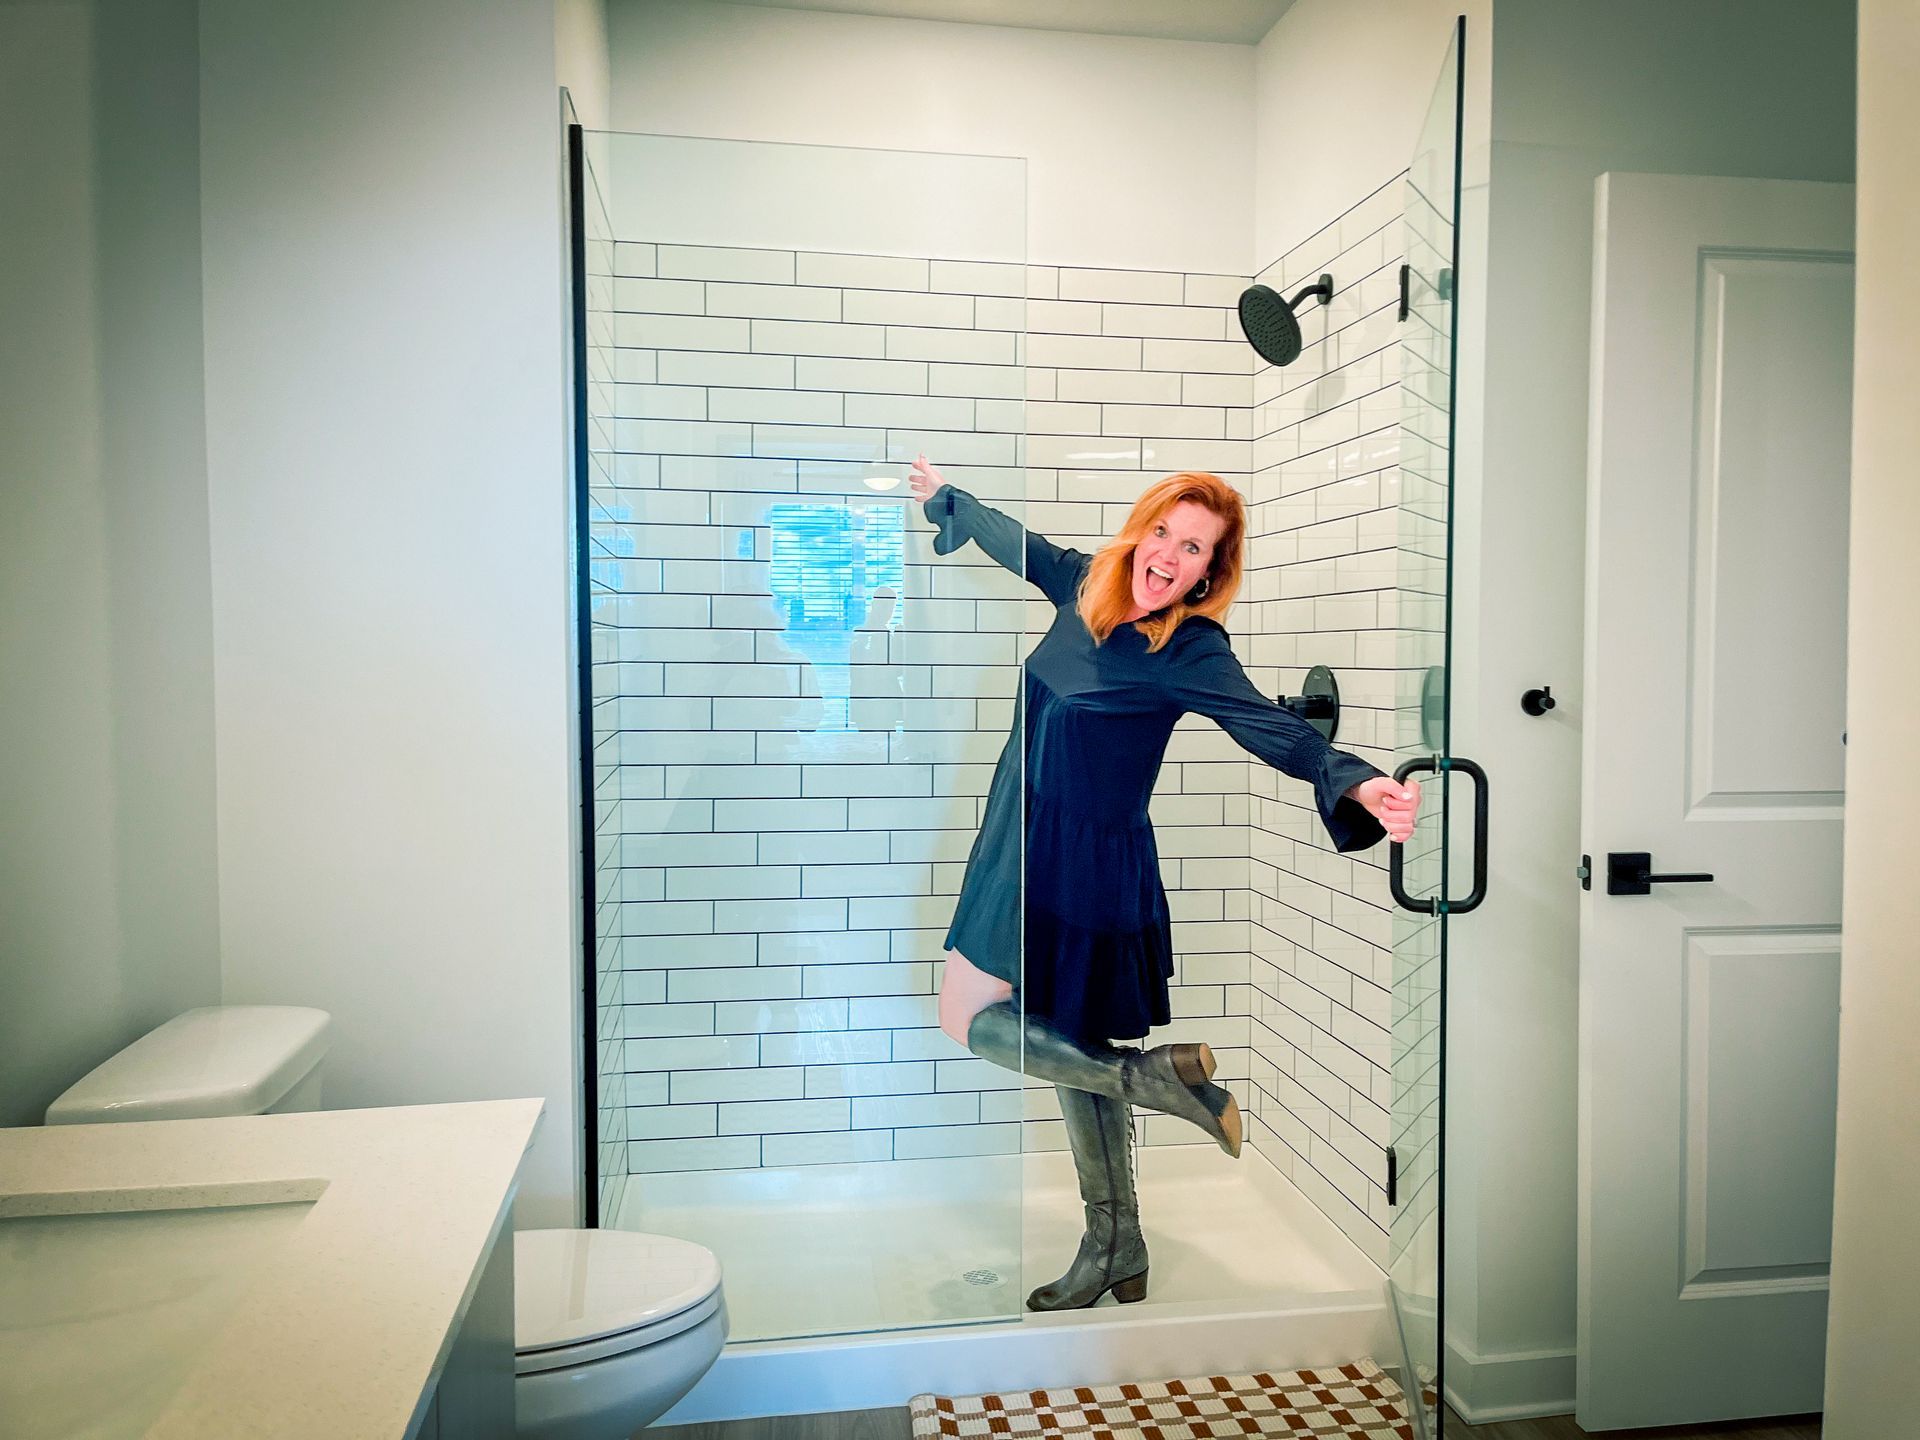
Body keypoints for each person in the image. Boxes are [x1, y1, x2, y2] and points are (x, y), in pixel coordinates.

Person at [909, 455, 1420, 1313]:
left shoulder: (1189, 646)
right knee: (1060, 1048)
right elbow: (1016, 544)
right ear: (1141, 530)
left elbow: (1268, 727)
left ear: (1209, 571)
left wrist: (1355, 778)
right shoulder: (1086, 582)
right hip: (1017, 841)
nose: (1169, 557)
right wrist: (945, 500)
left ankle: (1150, 1103)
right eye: (1163, 533)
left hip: (1091, 869)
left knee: (970, 1016)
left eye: (1194, 550)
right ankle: (1121, 1235)